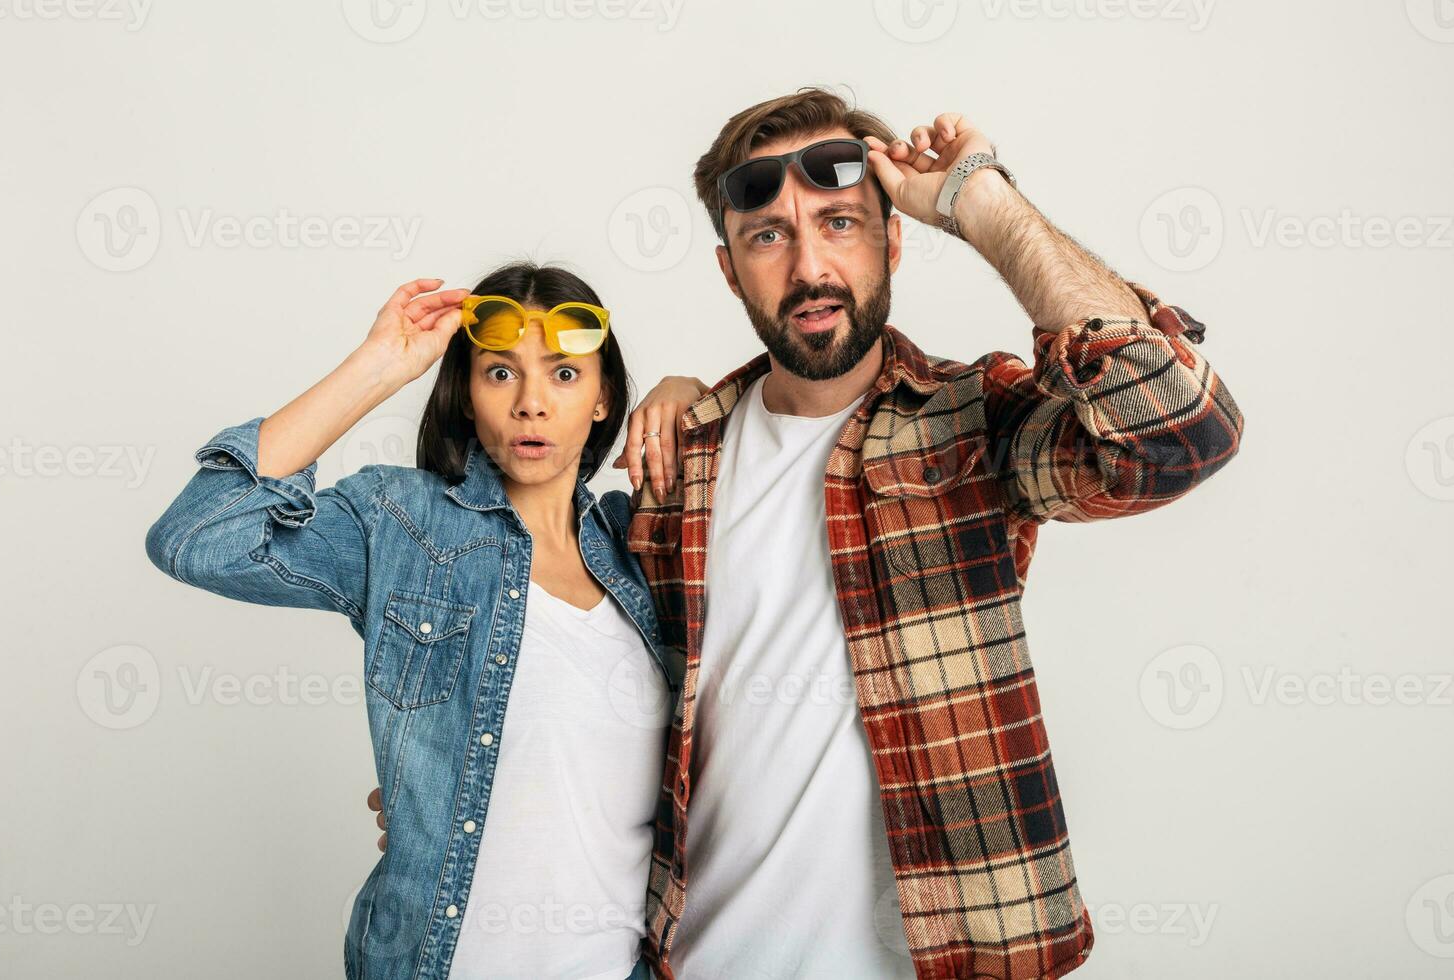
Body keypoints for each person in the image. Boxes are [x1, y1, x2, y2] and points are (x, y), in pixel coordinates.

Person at [617, 89, 1245, 979]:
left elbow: (1182, 430)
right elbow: (578, 685)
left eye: (840, 222)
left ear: (895, 239)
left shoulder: (974, 427)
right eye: (769, 236)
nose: (809, 267)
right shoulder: (676, 461)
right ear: (729, 271)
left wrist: (982, 204)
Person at [144, 261, 705, 980]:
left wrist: (692, 393)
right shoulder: (401, 522)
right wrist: (381, 366)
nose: (531, 403)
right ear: (466, 395)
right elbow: (197, 538)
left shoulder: (643, 548)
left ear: (603, 400)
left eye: (564, 375)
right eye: (500, 374)